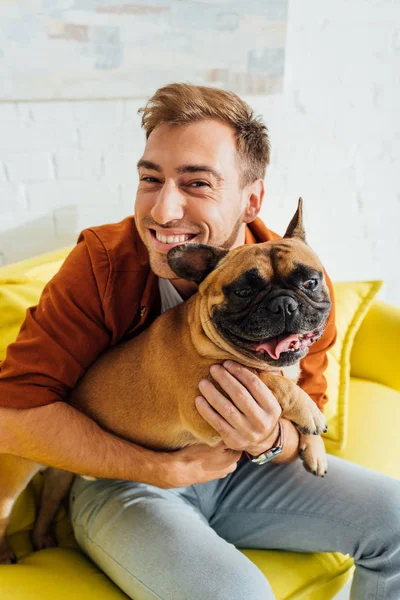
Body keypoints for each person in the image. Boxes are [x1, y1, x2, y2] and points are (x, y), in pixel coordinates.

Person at [0, 83, 399, 600]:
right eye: (151, 179)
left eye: (198, 184)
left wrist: (270, 440)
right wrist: (164, 468)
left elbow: (307, 424)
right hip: (126, 480)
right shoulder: (103, 263)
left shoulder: (301, 282)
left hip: (242, 475)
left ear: (251, 198)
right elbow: (12, 412)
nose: (165, 211)